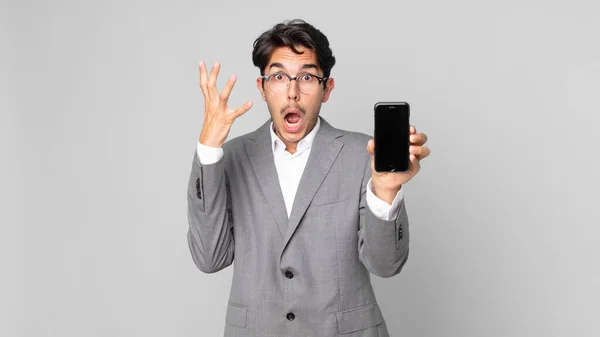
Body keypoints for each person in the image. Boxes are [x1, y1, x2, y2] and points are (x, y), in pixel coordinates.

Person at [187, 19, 430, 337]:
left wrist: (384, 191)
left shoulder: (364, 156)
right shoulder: (229, 157)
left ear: (326, 88)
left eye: (306, 76)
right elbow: (209, 257)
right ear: (262, 88)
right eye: (278, 76)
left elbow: (386, 265)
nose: (292, 92)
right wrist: (207, 150)